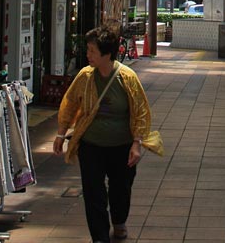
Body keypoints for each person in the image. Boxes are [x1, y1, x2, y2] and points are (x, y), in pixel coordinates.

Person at [54, 28, 162, 243]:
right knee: (94, 193)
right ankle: (100, 237)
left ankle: (119, 221)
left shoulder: (126, 77)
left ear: (106, 54)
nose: (88, 55)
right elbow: (69, 104)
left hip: (121, 146)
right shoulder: (85, 76)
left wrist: (136, 144)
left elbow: (140, 111)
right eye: (88, 50)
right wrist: (60, 134)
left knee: (120, 190)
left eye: (93, 51)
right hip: (91, 145)